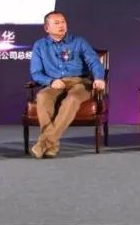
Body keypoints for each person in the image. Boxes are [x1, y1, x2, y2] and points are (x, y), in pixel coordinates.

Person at [28, 10, 106, 158]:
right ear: (47, 28)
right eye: (56, 23)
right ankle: (52, 146)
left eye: (63, 22)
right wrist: (51, 81)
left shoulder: (79, 42)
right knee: (42, 96)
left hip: (80, 82)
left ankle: (44, 143)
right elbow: (36, 73)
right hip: (55, 83)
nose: (61, 25)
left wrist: (99, 78)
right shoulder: (40, 45)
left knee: (72, 99)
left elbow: (94, 62)